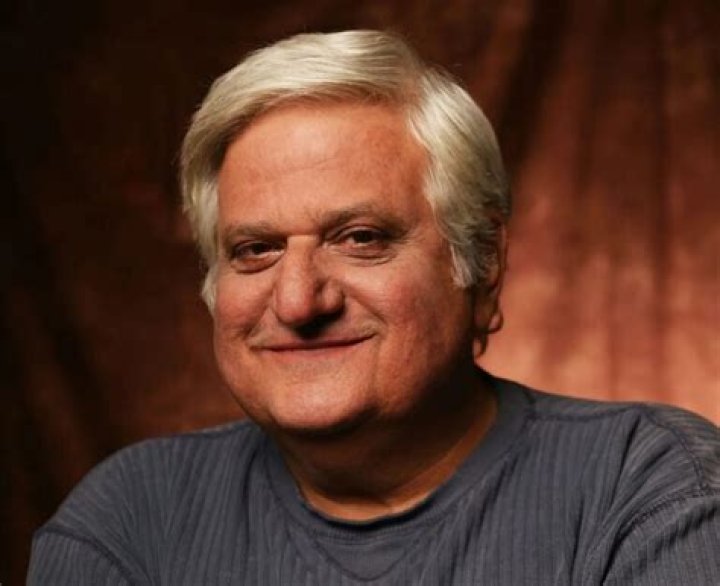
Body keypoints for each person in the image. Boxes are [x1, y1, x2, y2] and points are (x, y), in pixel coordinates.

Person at [28, 30, 719, 585]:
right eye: (256, 250)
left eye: (360, 239)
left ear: (481, 261)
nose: (299, 300)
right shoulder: (129, 520)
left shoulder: (649, 487)